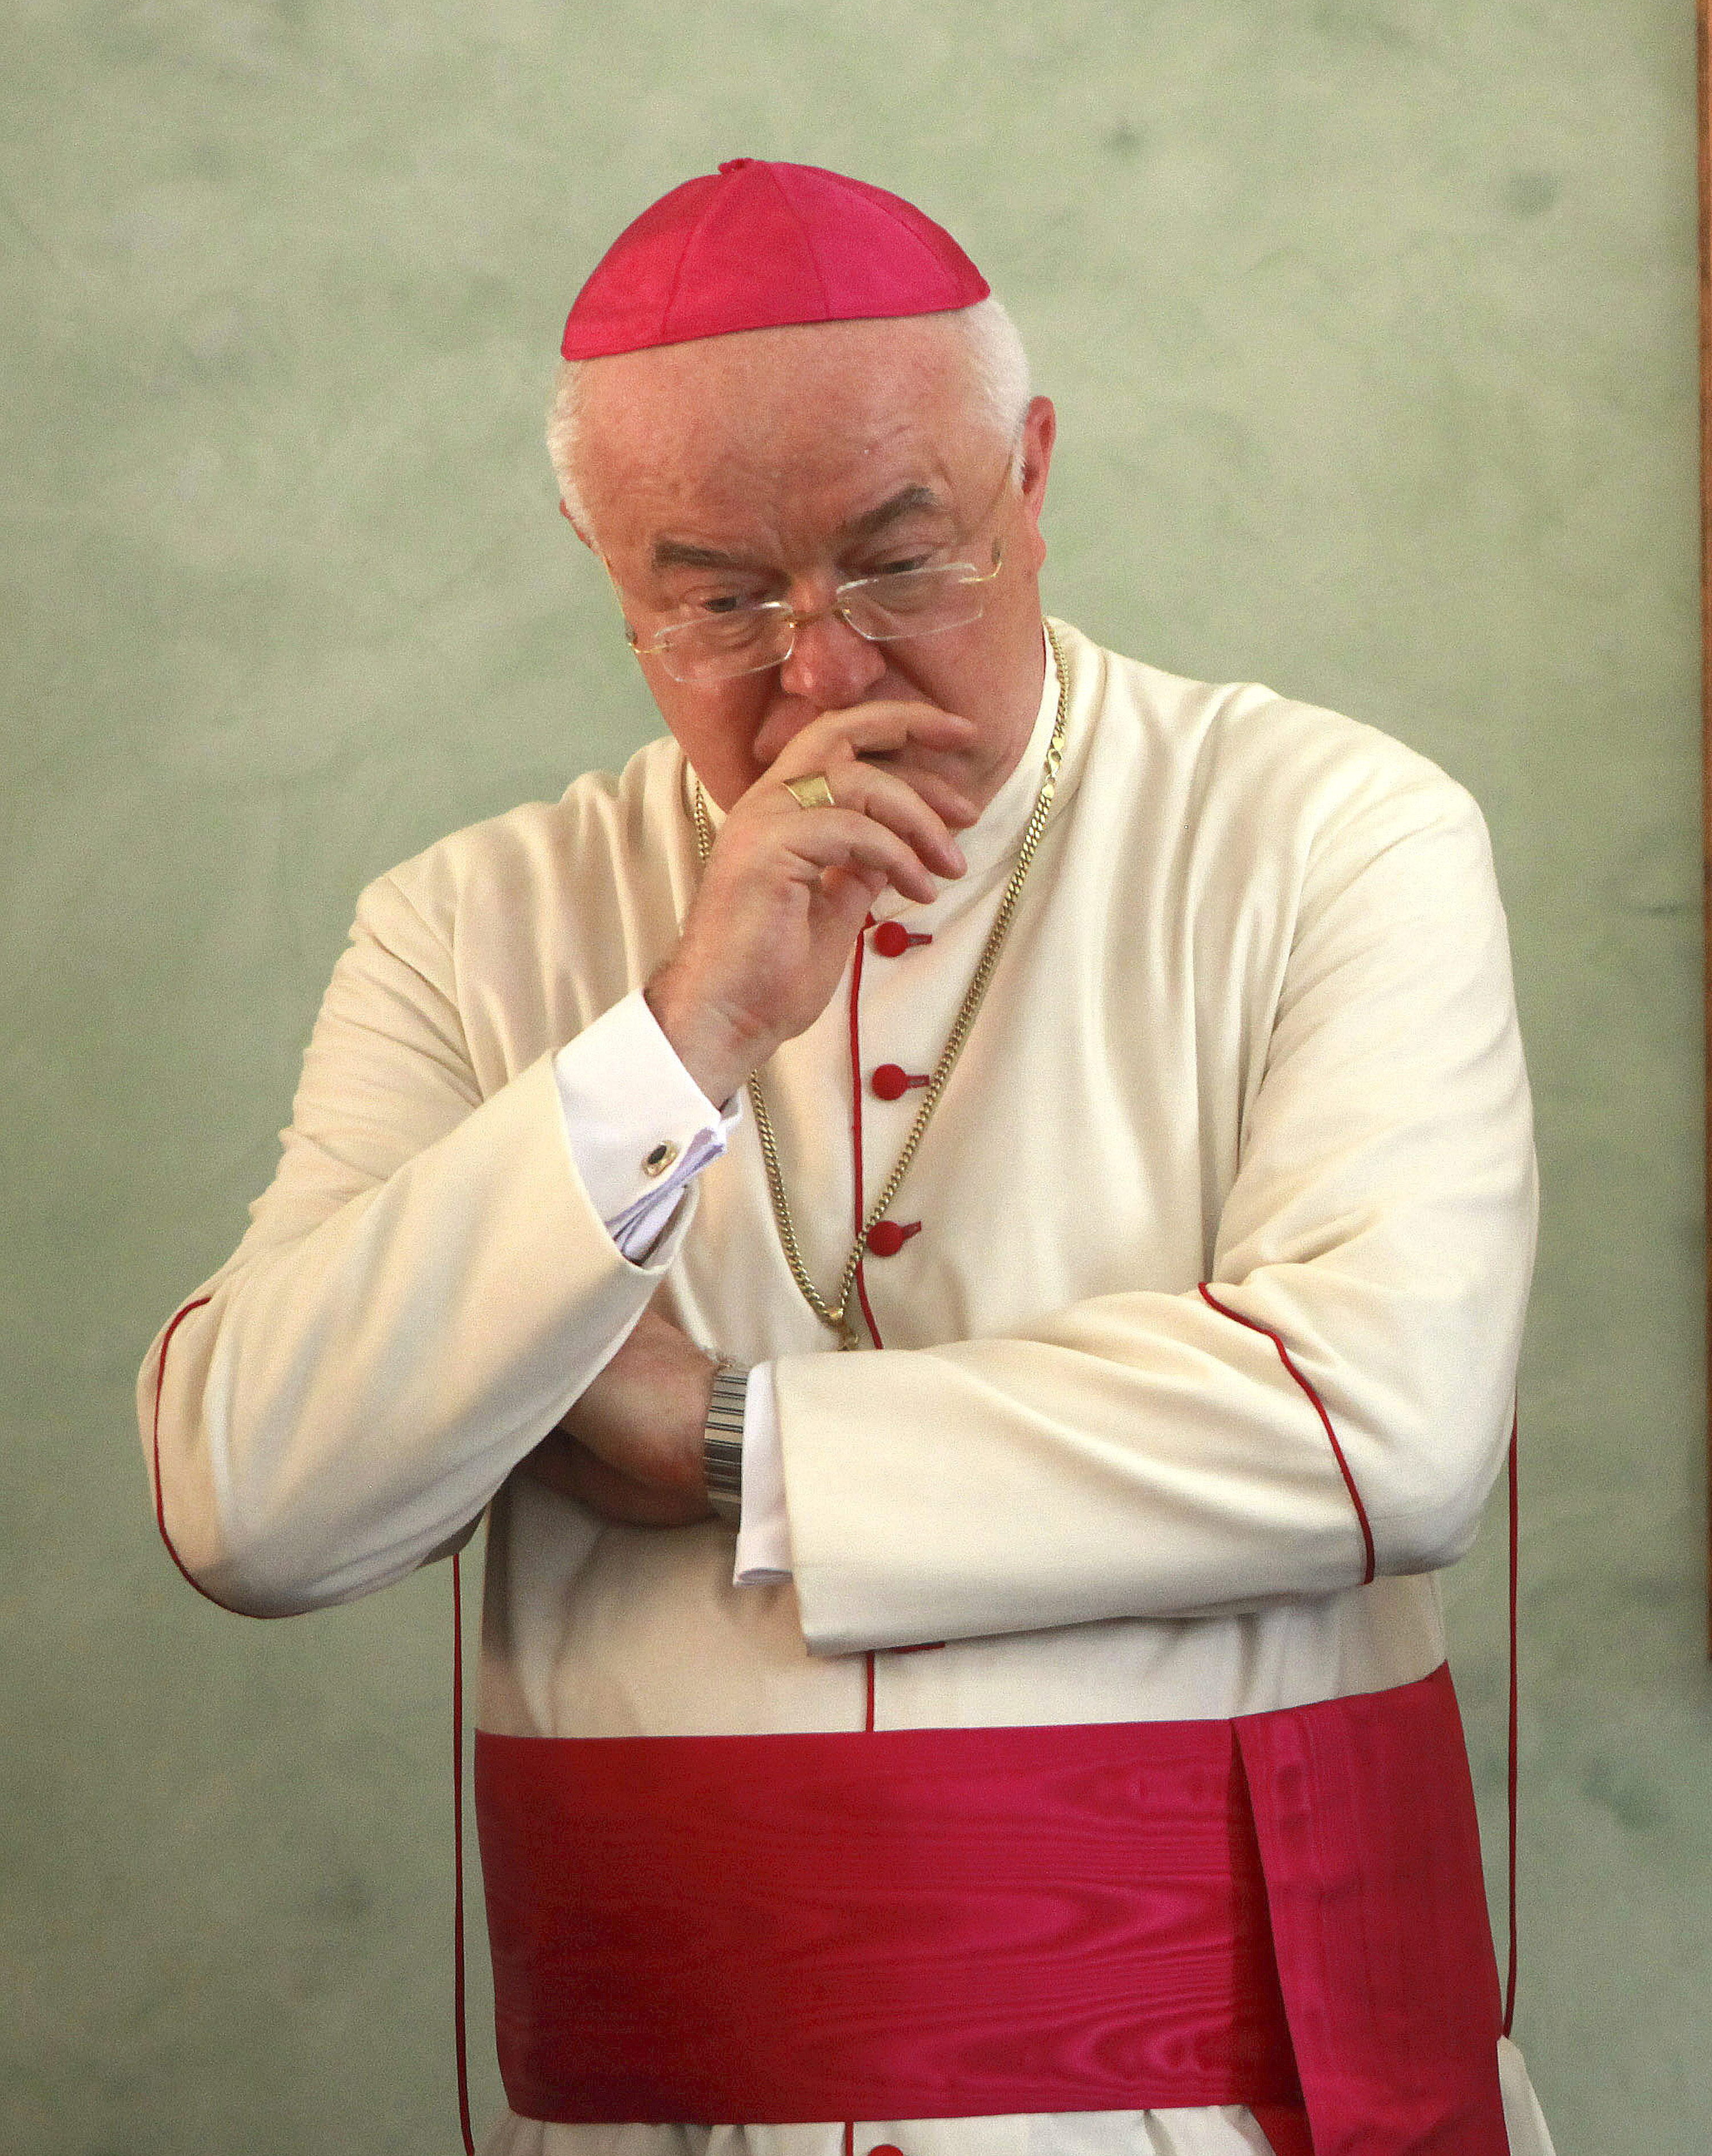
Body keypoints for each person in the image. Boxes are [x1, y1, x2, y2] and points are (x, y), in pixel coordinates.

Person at [141, 159, 1556, 2156]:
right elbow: (250, 1500)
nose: (820, 674)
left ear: (1033, 473)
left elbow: (1388, 1422)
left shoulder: (1331, 834)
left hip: (1226, 2107)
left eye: (902, 564)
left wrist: (732, 1443)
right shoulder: (467, 928)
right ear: (604, 569)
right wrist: (677, 1037)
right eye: (715, 597)